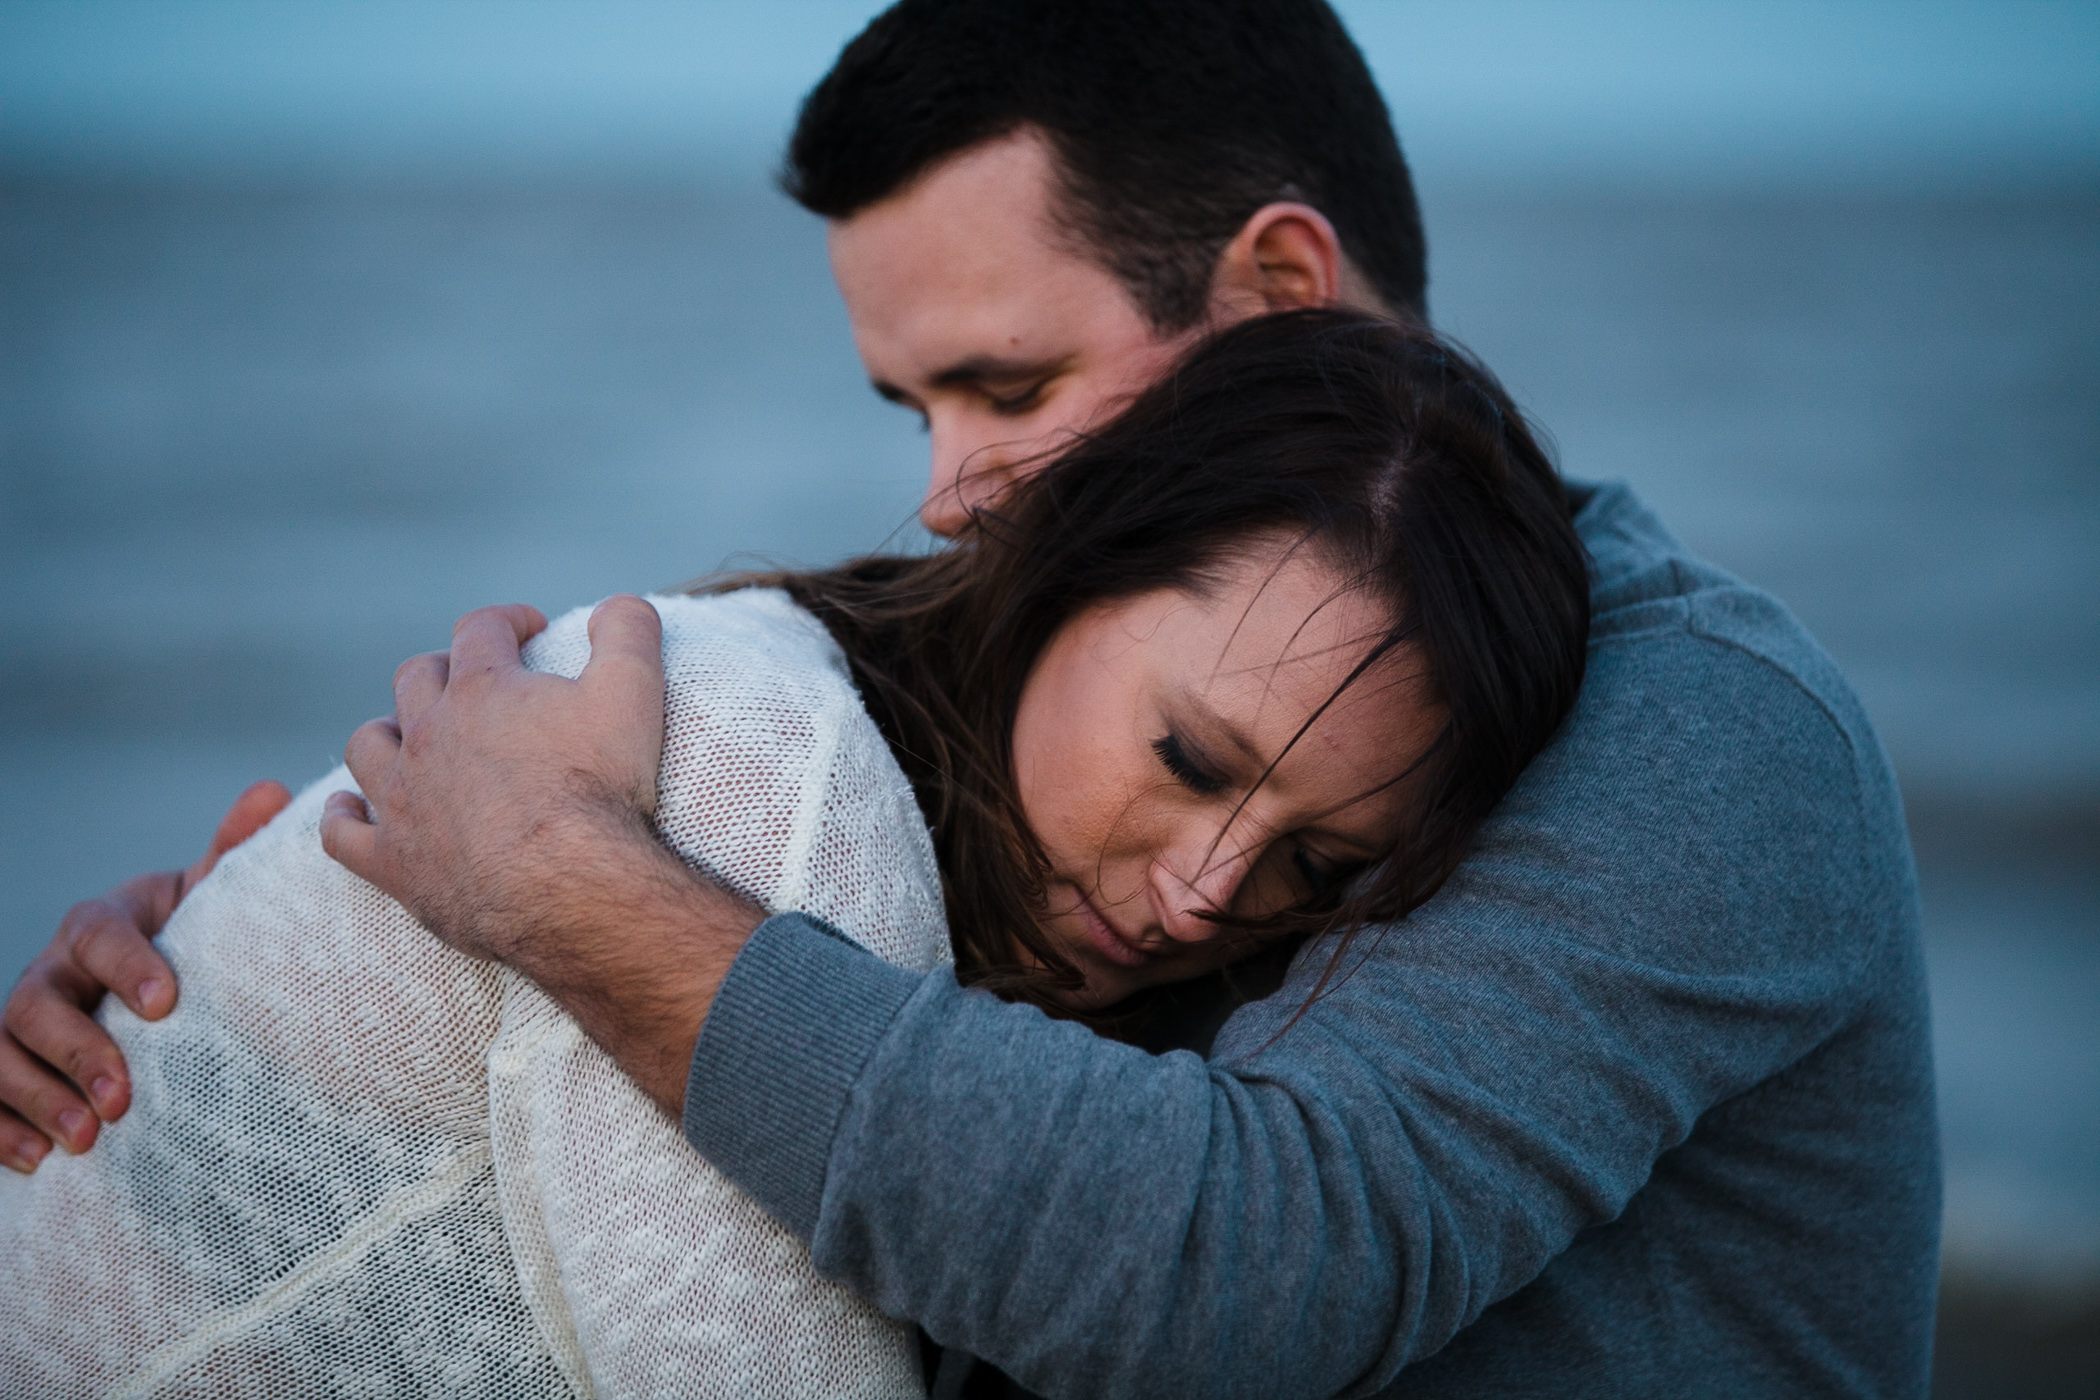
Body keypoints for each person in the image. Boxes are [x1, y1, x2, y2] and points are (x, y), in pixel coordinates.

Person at [3, 2, 1939, 1396]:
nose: (947, 487)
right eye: (913, 407)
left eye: (1009, 388)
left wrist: (558, 884)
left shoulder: (1696, 725)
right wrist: (229, 1044)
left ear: (1277, 300)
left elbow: (1242, 1257)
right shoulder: (1008, 726)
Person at [0, 312, 1586, 1396]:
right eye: (1188, 759)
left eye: (1316, 866)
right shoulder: (763, 783)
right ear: (1070, 554)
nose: (1206, 893)